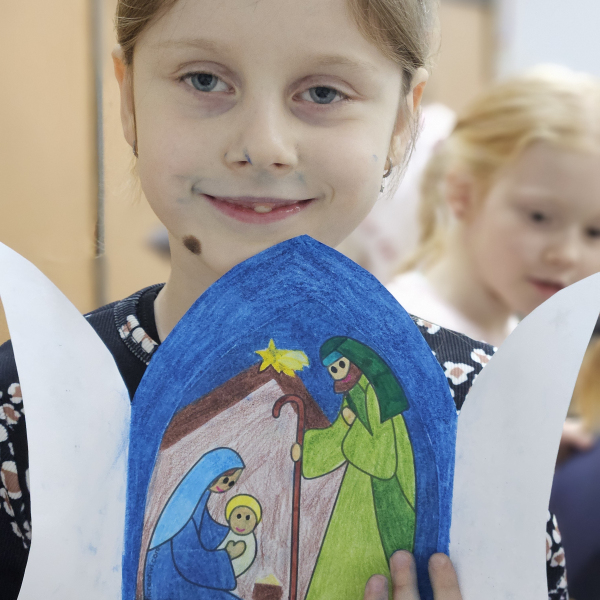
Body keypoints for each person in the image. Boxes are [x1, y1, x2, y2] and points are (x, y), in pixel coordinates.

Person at [0, 0, 566, 599]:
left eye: (323, 93)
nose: (263, 145)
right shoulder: (25, 404)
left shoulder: (481, 408)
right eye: (204, 80)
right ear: (130, 100)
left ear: (402, 123)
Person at [387, 67, 600, 347]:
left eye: (595, 232)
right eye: (539, 216)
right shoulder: (400, 333)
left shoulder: (522, 342)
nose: (567, 255)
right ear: (463, 194)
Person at [217, 494, 262, 577]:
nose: (242, 523)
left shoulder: (250, 541)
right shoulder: (224, 533)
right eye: (238, 516)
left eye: (248, 518)